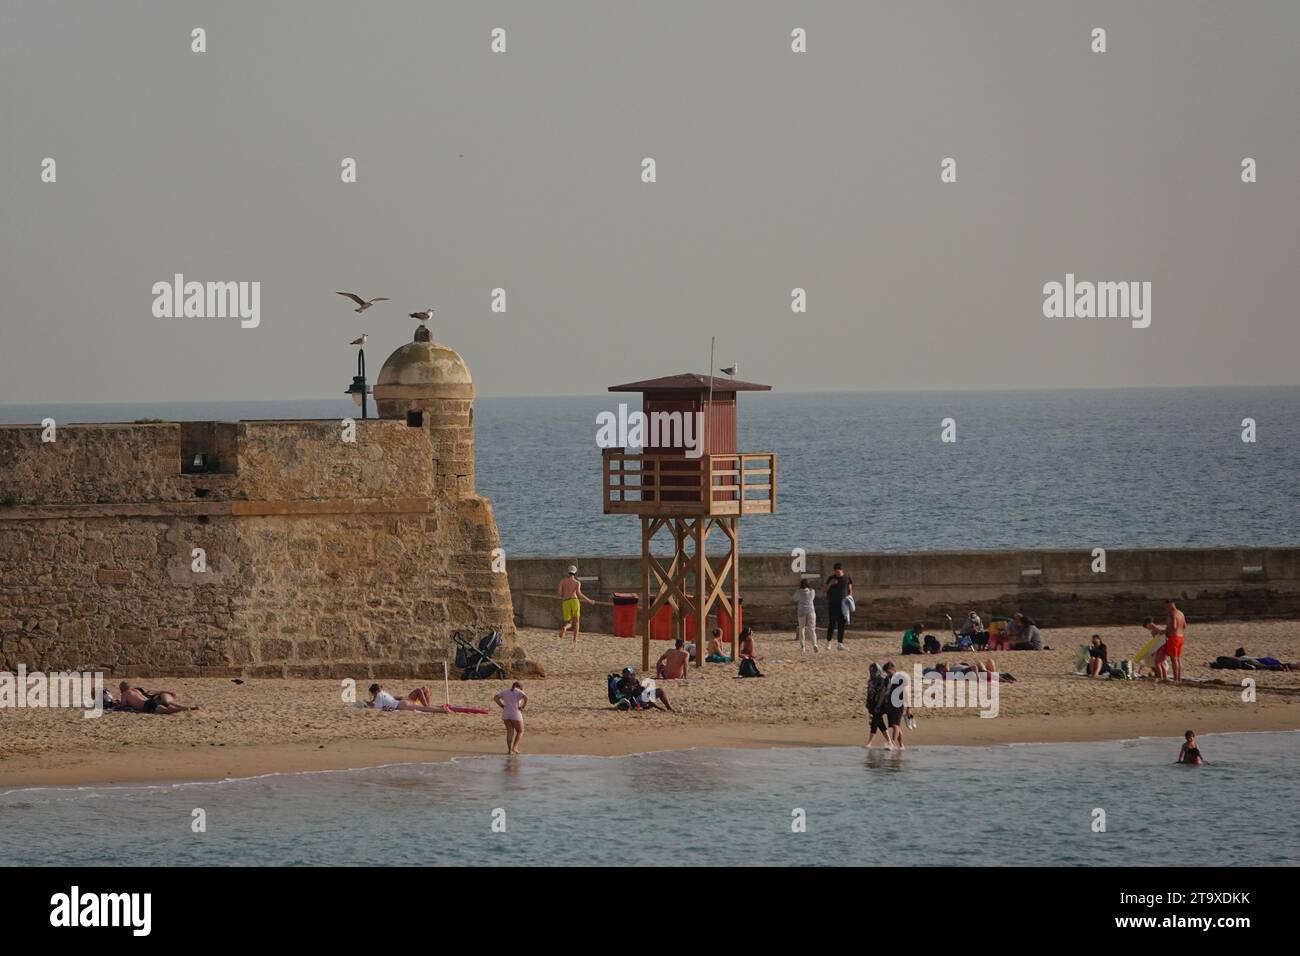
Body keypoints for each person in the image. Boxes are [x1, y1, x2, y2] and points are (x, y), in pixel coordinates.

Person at [556, 564, 596, 642]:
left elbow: (559, 593)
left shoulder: (562, 581)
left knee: (569, 622)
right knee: (577, 621)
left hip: (566, 602)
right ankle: (575, 639)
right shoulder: (577, 582)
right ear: (575, 572)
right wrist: (589, 600)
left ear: (568, 572)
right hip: (574, 600)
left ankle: (565, 627)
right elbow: (579, 594)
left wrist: (564, 595)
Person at [881, 662, 912, 750]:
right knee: (896, 726)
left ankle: (892, 743)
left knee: (895, 725)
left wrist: (909, 708)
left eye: (889, 672)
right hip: (889, 705)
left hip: (899, 704)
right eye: (886, 672)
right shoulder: (887, 679)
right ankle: (901, 745)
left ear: (894, 670)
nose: (888, 674)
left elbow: (907, 693)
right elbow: (884, 691)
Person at [117, 681, 199, 715]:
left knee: (167, 711)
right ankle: (188, 707)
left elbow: (123, 705)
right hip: (151, 700)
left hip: (147, 705)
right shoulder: (136, 690)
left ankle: (182, 709)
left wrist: (118, 703)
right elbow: (149, 693)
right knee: (169, 705)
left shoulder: (125, 693)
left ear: (122, 689)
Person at [823, 562, 853, 651]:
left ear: (842, 570)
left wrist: (849, 597)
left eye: (838, 572)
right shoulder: (831, 578)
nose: (837, 574)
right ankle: (828, 643)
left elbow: (850, 588)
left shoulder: (847, 577)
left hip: (843, 605)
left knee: (841, 624)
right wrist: (831, 584)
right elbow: (824, 590)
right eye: (836, 572)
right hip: (832, 604)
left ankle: (840, 644)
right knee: (831, 623)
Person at [493, 682, 528, 754]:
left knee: (510, 731)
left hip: (506, 713)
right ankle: (514, 747)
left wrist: (502, 705)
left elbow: (495, 697)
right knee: (520, 731)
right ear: (519, 687)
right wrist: (523, 707)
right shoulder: (518, 691)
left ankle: (509, 750)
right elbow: (526, 698)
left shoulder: (505, 691)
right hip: (515, 713)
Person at [366, 683, 442, 713]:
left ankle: (431, 707)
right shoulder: (383, 693)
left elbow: (377, 707)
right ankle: (430, 706)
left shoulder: (379, 695)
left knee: (425, 708)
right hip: (402, 702)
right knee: (421, 691)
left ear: (375, 692)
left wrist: (368, 704)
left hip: (402, 704)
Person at [864, 663, 890, 748]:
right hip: (872, 704)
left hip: (879, 704)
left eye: (873, 671)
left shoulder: (882, 680)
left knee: (874, 722)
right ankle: (889, 741)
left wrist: (878, 705)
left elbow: (882, 693)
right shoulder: (870, 680)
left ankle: (870, 743)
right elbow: (869, 693)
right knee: (880, 723)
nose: (872, 673)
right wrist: (868, 704)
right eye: (870, 671)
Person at [1164, 599, 1186, 685]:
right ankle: (1179, 678)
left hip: (1174, 637)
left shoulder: (1172, 614)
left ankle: (1176, 678)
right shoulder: (1181, 613)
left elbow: (1173, 626)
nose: (1165, 609)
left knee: (1174, 659)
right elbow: (1184, 626)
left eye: (1166, 606)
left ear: (1169, 605)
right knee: (1178, 658)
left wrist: (1165, 632)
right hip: (1181, 637)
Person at [794, 578, 818, 652]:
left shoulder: (799, 592)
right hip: (811, 611)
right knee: (812, 629)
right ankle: (814, 644)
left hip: (801, 612)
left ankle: (803, 647)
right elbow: (812, 599)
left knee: (802, 629)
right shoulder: (812, 591)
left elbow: (794, 599)